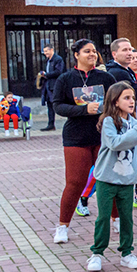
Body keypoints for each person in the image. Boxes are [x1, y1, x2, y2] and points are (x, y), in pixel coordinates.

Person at [86, 82, 137, 272]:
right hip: (106, 179)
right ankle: (97, 253)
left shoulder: (134, 124)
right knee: (103, 217)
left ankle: (127, 253)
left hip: (127, 180)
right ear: (115, 101)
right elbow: (115, 143)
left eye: (133, 97)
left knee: (126, 218)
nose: (131, 101)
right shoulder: (109, 121)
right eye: (126, 98)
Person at [51, 39, 116, 244]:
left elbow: (118, 100)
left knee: (110, 179)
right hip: (76, 137)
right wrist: (82, 110)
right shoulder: (65, 78)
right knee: (75, 183)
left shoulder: (106, 77)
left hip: (103, 136)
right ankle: (63, 226)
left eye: (94, 51)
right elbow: (58, 106)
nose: (92, 54)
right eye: (87, 51)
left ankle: (117, 220)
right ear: (76, 55)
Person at [105, 38, 137, 209]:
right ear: (114, 54)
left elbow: (136, 93)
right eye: (125, 50)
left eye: (131, 49)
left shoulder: (124, 71)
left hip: (131, 120)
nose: (130, 53)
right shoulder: (118, 72)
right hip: (126, 122)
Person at [40, 44, 65, 131]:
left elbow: (59, 71)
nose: (45, 53)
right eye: (44, 51)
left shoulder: (58, 59)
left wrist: (46, 74)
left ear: (52, 50)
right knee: (49, 105)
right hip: (48, 85)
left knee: (56, 104)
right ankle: (51, 124)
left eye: (46, 51)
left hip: (54, 85)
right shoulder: (48, 60)